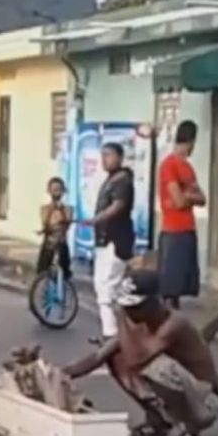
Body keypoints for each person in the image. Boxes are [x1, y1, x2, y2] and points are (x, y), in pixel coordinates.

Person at [63, 271, 218, 436]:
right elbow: (98, 356)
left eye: (135, 307)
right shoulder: (140, 323)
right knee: (115, 357)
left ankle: (184, 426)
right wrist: (58, 372)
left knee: (156, 367)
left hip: (204, 402)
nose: (130, 312)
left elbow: (136, 360)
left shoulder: (174, 324)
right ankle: (157, 421)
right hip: (186, 392)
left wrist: (121, 319)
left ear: (155, 301)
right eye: (127, 307)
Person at [83, 142, 134, 340]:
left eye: (109, 155)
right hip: (104, 241)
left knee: (107, 287)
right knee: (105, 286)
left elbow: (118, 206)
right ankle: (116, 331)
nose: (105, 159)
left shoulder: (122, 181)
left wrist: (98, 218)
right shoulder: (111, 180)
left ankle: (111, 334)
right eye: (103, 155)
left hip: (115, 240)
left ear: (119, 157)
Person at [158, 120, 205, 309]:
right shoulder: (169, 165)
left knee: (182, 287)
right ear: (191, 141)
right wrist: (188, 195)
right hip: (173, 232)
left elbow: (202, 198)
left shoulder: (187, 168)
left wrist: (187, 196)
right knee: (170, 288)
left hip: (187, 230)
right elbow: (178, 201)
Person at [36, 177, 74, 281]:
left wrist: (61, 211)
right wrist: (53, 209)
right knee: (42, 274)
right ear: (49, 191)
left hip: (62, 244)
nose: (56, 192)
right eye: (54, 189)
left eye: (59, 189)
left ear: (63, 191)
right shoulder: (44, 209)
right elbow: (46, 224)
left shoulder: (68, 209)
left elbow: (67, 224)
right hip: (48, 245)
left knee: (65, 274)